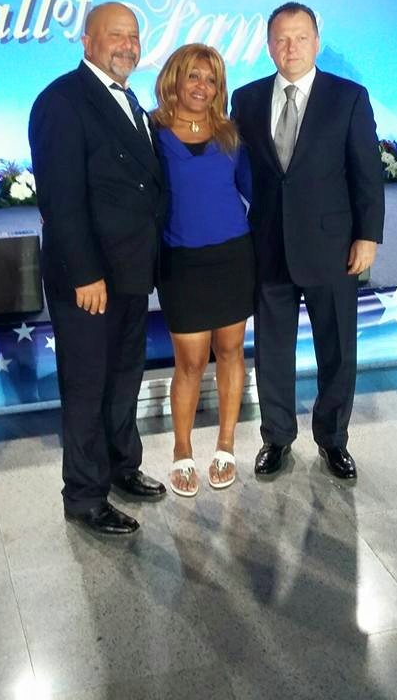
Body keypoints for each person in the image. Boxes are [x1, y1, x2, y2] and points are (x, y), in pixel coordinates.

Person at [28, 1, 167, 536]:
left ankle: (121, 467)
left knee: (123, 378)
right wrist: (86, 273)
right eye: (115, 35)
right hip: (89, 280)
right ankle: (85, 497)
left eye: (133, 36)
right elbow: (61, 200)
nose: (127, 45)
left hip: (129, 272)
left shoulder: (130, 100)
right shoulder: (62, 101)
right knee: (88, 388)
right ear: (87, 41)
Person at [231, 2, 384, 480]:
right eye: (281, 38)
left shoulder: (349, 97)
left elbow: (366, 172)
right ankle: (276, 437)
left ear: (316, 42)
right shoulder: (246, 99)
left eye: (300, 37)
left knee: (336, 350)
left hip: (331, 247)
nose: (290, 47)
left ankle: (333, 440)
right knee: (272, 351)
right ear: (268, 45)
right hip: (268, 246)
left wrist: (368, 236)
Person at [152, 44, 254, 497]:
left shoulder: (231, 133)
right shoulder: (152, 132)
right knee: (190, 362)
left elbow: (254, 190)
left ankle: (226, 446)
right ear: (175, 79)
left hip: (233, 256)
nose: (202, 87)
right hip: (181, 262)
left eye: (211, 80)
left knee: (231, 352)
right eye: (193, 76)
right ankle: (182, 451)